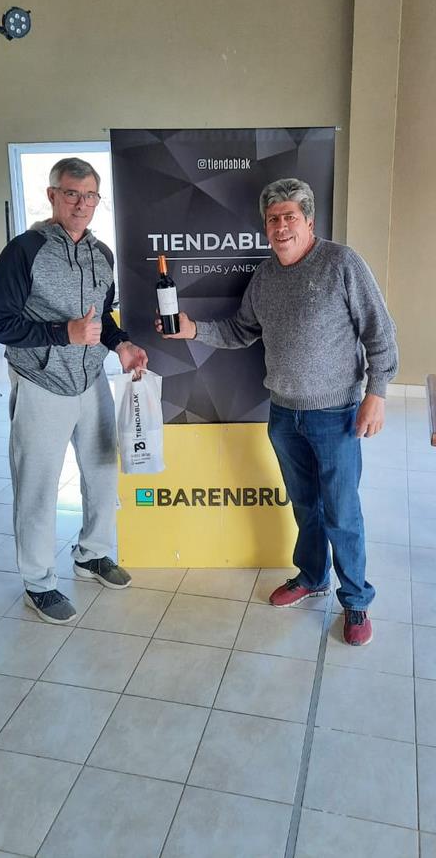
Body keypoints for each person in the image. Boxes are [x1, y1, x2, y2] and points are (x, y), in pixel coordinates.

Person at [156, 178, 398, 646]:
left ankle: (356, 600)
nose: (281, 226)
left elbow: (380, 333)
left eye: (290, 217)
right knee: (306, 505)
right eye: (273, 219)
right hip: (284, 415)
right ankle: (312, 576)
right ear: (265, 227)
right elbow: (241, 331)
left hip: (336, 414)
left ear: (309, 221)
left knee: (342, 512)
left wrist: (378, 392)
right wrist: (192, 329)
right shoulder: (265, 277)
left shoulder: (341, 263)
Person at [0, 157, 148, 623]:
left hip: (90, 379)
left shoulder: (102, 255)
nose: (82, 203)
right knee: (38, 485)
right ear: (52, 195)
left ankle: (91, 555)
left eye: (90, 195)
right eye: (72, 193)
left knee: (101, 471)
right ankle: (39, 583)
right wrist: (63, 334)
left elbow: (102, 319)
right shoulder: (24, 251)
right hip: (41, 381)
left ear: (98, 200)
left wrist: (121, 345)